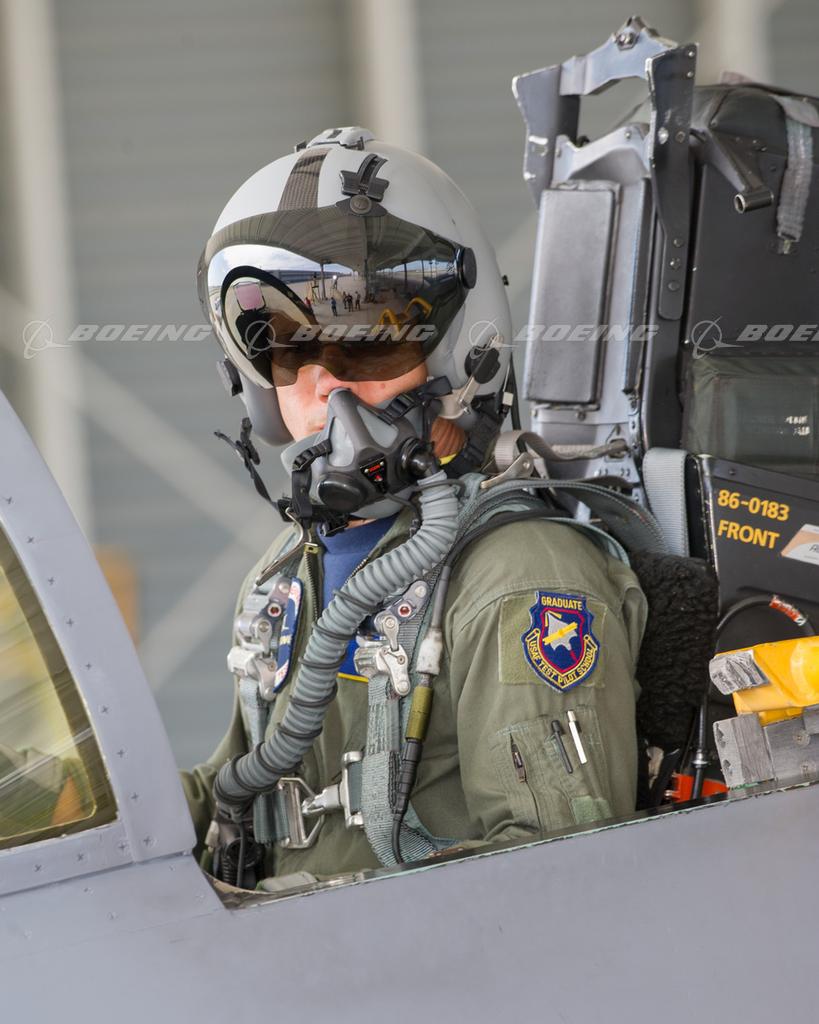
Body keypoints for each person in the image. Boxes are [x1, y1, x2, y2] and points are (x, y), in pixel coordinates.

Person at [185, 126, 647, 887]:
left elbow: (557, 876)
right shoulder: (283, 575)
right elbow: (237, 784)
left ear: (461, 355)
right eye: (289, 349)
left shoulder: (516, 577)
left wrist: (302, 912)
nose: (328, 384)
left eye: (370, 343)